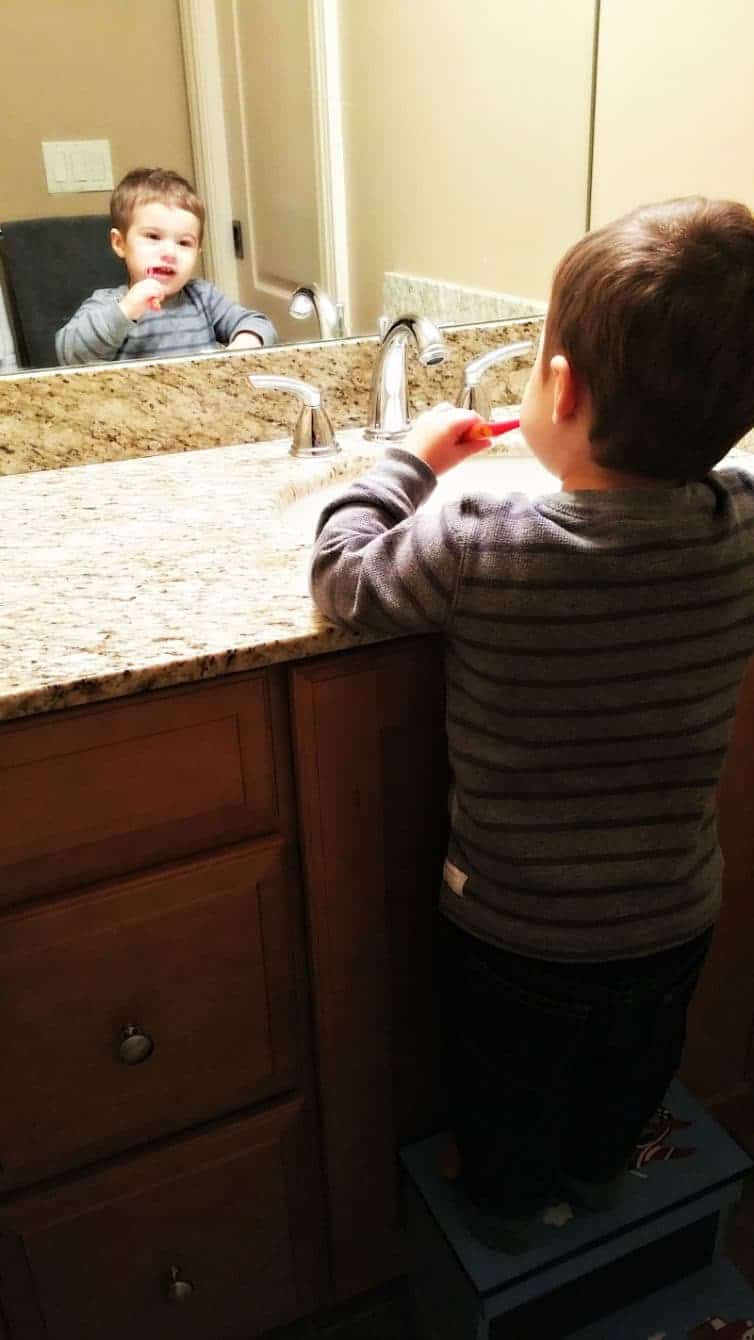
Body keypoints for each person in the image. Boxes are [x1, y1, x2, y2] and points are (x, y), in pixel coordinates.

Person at [309, 197, 754, 1250]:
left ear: (557, 386)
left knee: (506, 1097)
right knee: (625, 1079)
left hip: (516, 933)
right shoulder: (738, 524)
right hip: (671, 918)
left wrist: (406, 464)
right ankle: (601, 1177)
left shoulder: (475, 531)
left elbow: (341, 579)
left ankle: (509, 1213)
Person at [55, 167, 277, 365]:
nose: (170, 253)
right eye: (153, 237)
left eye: (184, 243)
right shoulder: (109, 304)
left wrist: (242, 346)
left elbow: (259, 324)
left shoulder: (203, 297)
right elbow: (70, 354)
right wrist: (126, 311)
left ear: (198, 252)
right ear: (120, 243)